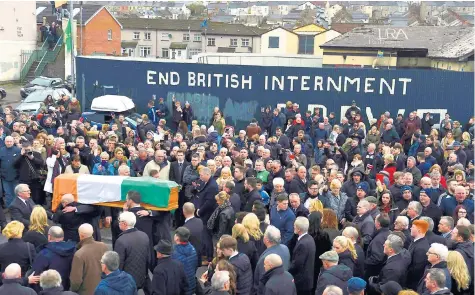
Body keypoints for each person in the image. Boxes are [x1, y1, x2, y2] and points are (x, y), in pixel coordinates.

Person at [114, 211, 151, 294]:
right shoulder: (144, 235)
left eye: (119, 222)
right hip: (140, 277)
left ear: (124, 223)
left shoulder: (121, 240)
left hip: (126, 281)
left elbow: (118, 264)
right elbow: (148, 258)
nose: (118, 223)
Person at [31, 226, 76, 291]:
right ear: (63, 237)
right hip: (66, 290)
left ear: (49, 236)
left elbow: (36, 277)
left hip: (49, 290)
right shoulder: (73, 251)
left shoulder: (44, 254)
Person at [69, 223, 108, 295]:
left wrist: (72, 291)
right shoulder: (103, 247)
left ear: (80, 235)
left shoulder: (79, 254)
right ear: (92, 233)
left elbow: (76, 281)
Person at [253, 225, 291, 295]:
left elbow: (262, 281)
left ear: (266, 240)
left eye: (264, 235)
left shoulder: (266, 258)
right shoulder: (285, 248)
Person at [195, 167, 219, 263]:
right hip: (204, 214)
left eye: (201, 175)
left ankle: (209, 257)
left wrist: (199, 211)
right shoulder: (207, 183)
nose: (200, 177)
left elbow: (209, 202)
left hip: (207, 215)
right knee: (204, 236)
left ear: (207, 174)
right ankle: (205, 254)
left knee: (207, 237)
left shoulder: (212, 186)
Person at [289, 217, 315, 295]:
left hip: (301, 282)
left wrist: (287, 271)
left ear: (298, 229)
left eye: (294, 226)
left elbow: (297, 264)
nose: (293, 227)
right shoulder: (310, 238)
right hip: (307, 280)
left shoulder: (302, 244)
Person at [171, 227, 197, 295]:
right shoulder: (193, 249)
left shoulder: (173, 252)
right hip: (191, 283)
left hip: (180, 287)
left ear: (177, 238)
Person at [407, 219, 431, 290]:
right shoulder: (415, 241)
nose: (410, 228)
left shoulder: (421, 248)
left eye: (413, 227)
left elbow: (417, 269)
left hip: (412, 284)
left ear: (419, 230)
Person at [365, 213, 391, 279]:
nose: (374, 221)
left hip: (374, 272)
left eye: (375, 219)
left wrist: (364, 263)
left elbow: (376, 258)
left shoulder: (378, 239)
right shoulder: (389, 233)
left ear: (378, 224)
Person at [0, 136, 21, 207]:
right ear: (4, 142)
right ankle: (10, 208)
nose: (9, 143)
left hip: (16, 176)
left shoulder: (18, 150)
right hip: (4, 176)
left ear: (13, 142)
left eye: (10, 141)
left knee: (16, 193)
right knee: (8, 194)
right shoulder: (1, 150)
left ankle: (17, 208)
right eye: (7, 141)